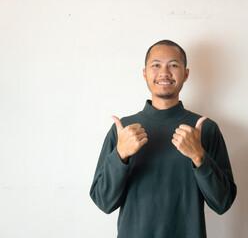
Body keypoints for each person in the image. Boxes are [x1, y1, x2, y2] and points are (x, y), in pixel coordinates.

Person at [90, 40, 237, 238]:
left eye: (174, 65)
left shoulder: (205, 130)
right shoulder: (123, 130)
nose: (164, 73)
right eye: (156, 65)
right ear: (144, 73)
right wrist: (120, 156)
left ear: (185, 74)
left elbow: (223, 203)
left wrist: (199, 157)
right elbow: (103, 202)